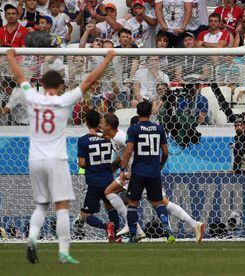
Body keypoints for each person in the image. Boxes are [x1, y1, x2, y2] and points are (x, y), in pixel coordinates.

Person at [6, 48, 116, 264]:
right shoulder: (64, 100)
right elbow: (90, 80)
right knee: (62, 206)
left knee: (41, 206)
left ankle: (32, 239)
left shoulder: (32, 96)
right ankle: (64, 252)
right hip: (56, 159)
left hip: (35, 159)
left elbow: (19, 77)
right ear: (59, 87)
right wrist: (108, 58)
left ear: (43, 84)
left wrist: (10, 56)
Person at [103, 114, 205, 243]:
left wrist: (130, 170)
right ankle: (136, 228)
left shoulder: (122, 137)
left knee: (161, 203)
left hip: (138, 173)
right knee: (111, 192)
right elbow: (124, 154)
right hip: (142, 172)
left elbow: (131, 151)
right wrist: (116, 166)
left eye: (102, 123)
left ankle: (193, 224)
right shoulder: (117, 137)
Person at [120, 100, 175, 243]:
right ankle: (168, 230)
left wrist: (122, 169)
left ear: (137, 113)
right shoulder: (159, 129)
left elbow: (128, 151)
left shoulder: (133, 129)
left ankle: (133, 236)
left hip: (138, 171)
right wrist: (161, 164)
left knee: (133, 203)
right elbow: (165, 151)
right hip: (154, 171)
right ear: (151, 112)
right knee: (158, 203)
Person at [76, 110, 120, 243]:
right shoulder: (107, 138)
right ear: (100, 123)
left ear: (86, 123)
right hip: (108, 179)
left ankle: (106, 226)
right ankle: (116, 235)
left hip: (94, 181)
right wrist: (112, 166)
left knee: (85, 215)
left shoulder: (83, 140)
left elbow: (82, 164)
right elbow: (120, 155)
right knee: (110, 208)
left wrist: (92, 166)